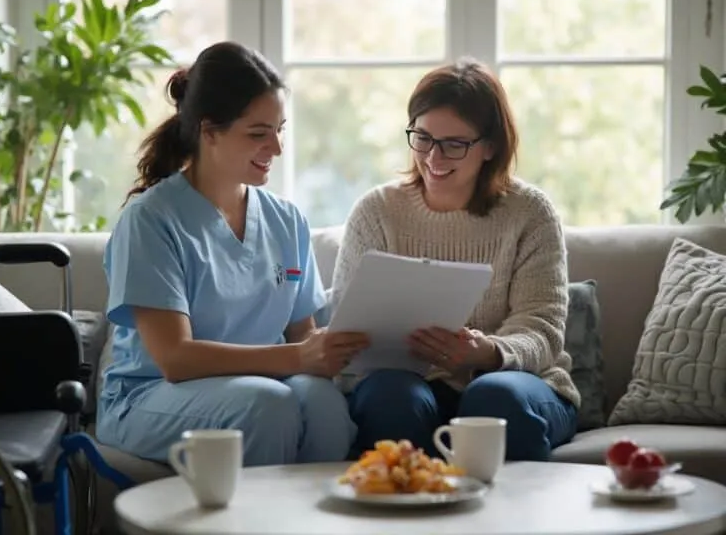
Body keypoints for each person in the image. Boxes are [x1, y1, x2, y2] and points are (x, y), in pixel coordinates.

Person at [95, 41, 369, 466]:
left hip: (263, 383)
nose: (276, 148)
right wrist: (296, 357)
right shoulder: (150, 220)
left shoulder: (286, 220)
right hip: (151, 395)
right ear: (209, 131)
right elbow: (175, 359)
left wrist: (334, 346)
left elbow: (302, 333)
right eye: (258, 134)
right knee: (268, 406)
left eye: (280, 129)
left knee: (325, 405)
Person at [331, 57, 580, 462]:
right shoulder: (375, 212)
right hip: (409, 384)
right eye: (423, 138)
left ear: (490, 147)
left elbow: (542, 331)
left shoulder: (530, 213)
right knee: (388, 396)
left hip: (518, 384)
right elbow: (348, 329)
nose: (433, 157)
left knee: (493, 396)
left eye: (454, 144)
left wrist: (486, 353)